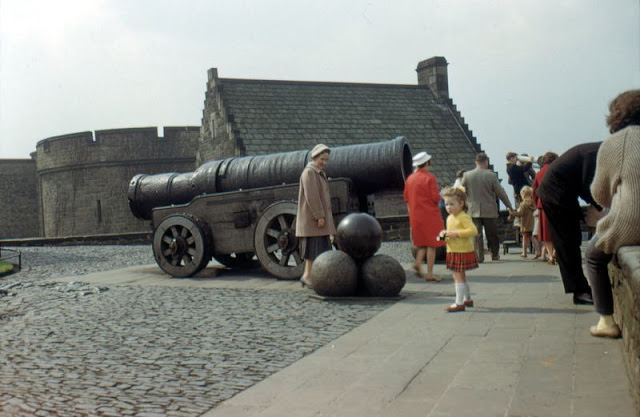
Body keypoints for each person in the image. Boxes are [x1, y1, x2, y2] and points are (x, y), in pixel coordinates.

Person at [585, 89, 640, 338]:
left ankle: (606, 321)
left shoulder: (617, 142)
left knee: (594, 256)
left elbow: (599, 194)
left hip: (631, 223)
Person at [536, 143, 602, 305]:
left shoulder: (593, 151)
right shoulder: (594, 155)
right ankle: (579, 291)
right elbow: (587, 185)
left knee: (570, 241)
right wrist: (601, 205)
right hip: (556, 196)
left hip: (558, 194)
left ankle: (581, 289)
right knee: (567, 243)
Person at [295, 144, 336, 288]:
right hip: (313, 220)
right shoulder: (309, 173)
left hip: (317, 220)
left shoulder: (317, 172)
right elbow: (312, 196)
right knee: (314, 250)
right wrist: (319, 216)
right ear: (315, 157)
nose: (324, 163)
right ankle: (307, 276)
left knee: (318, 249)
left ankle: (309, 276)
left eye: (326, 160)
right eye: (322, 159)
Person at [461, 153, 514, 262]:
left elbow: (460, 192)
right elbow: (501, 193)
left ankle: (479, 256)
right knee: (492, 234)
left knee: (476, 234)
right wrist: (509, 206)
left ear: (476, 162)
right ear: (486, 162)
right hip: (489, 209)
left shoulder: (467, 175)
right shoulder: (491, 175)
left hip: (472, 209)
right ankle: (494, 254)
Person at [403, 151, 446, 281]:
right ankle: (429, 273)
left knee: (422, 243)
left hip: (415, 215)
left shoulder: (410, 179)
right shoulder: (429, 177)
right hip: (430, 215)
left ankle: (417, 263)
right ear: (427, 163)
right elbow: (435, 198)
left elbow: (406, 197)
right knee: (432, 245)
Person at [438, 186, 478, 312]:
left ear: (461, 203)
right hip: (453, 249)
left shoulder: (463, 216)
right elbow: (451, 232)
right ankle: (467, 299)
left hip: (461, 250)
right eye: (446, 204)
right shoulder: (450, 217)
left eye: (452, 204)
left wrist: (456, 233)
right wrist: (444, 235)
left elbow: (473, 230)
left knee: (458, 277)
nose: (448, 207)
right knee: (460, 276)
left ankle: (459, 302)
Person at [531, 152, 558, 264]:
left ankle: (551, 256)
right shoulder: (558, 170)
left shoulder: (539, 174)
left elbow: (534, 192)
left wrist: (537, 203)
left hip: (544, 205)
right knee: (558, 230)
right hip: (558, 204)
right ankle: (556, 253)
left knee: (546, 234)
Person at [509, 186, 536, 257]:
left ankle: (524, 252)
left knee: (524, 239)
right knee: (532, 238)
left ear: (523, 195)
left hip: (525, 225)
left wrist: (512, 213)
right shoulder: (533, 203)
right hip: (532, 224)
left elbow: (520, 214)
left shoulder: (523, 204)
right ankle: (538, 250)